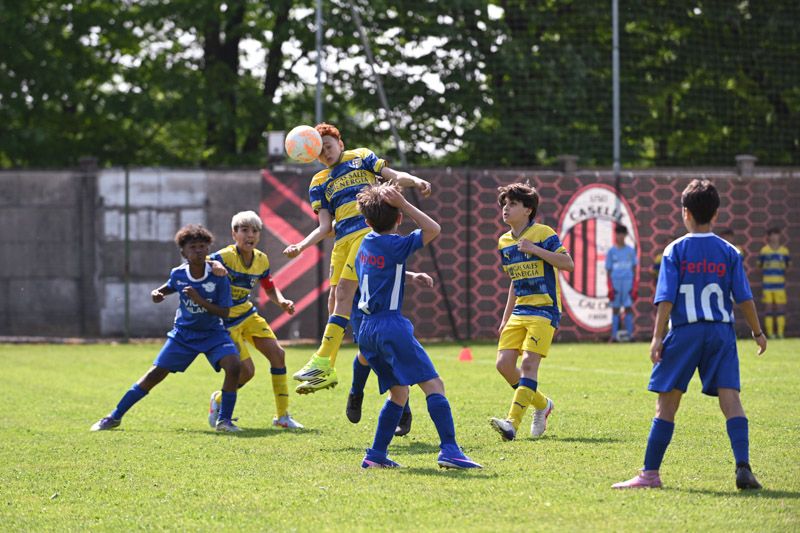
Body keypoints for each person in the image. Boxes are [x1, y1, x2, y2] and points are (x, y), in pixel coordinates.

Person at [613, 179, 767, 490]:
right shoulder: (730, 251)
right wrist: (757, 331)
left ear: (685, 212)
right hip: (721, 332)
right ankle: (743, 466)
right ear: (716, 214)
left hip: (685, 332)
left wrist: (657, 337)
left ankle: (650, 474)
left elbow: (666, 298)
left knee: (667, 403)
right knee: (731, 399)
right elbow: (744, 298)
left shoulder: (675, 250)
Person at [283, 122, 431, 394]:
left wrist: (415, 181)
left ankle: (322, 362)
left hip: (365, 236)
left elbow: (393, 175)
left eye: (328, 146)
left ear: (340, 143)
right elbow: (324, 227)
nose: (326, 153)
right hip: (342, 242)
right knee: (334, 300)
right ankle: (326, 368)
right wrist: (301, 246)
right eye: (319, 151)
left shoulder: (361, 156)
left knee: (343, 294)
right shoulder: (318, 182)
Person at [354, 183, 481, 469]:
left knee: (399, 393)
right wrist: (405, 203)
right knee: (434, 385)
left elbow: (378, 271)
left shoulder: (366, 244)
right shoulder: (396, 244)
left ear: (367, 222)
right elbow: (433, 228)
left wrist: (409, 275)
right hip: (390, 325)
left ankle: (375, 455)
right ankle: (450, 450)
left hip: (366, 329)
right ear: (399, 218)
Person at [91, 224, 242, 433]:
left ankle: (224, 421)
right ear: (183, 253)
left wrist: (198, 299)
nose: (198, 251)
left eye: (202, 246)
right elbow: (170, 286)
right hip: (184, 335)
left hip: (213, 334)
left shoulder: (218, 275)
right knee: (154, 375)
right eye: (193, 247)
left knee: (234, 366)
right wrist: (157, 293)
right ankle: (113, 417)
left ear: (208, 249)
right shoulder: (178, 273)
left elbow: (224, 312)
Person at [489, 183, 574, 442]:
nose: (506, 208)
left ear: (528, 210)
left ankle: (512, 423)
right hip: (520, 310)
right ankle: (543, 404)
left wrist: (535, 249)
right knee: (503, 365)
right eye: (505, 204)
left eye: (513, 204)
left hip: (545, 310)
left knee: (528, 364)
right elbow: (514, 281)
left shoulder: (543, 233)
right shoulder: (504, 242)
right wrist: (505, 318)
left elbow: (568, 263)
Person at [206, 211, 303, 430]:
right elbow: (199, 261)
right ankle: (219, 400)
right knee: (247, 372)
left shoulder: (261, 260)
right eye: (244, 230)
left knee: (278, 355)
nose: (250, 235)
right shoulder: (224, 257)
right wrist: (212, 265)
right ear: (234, 234)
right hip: (226, 321)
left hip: (248, 314)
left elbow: (269, 288)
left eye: (255, 231)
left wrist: (282, 301)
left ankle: (282, 417)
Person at [346, 270, 433, 437]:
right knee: (368, 351)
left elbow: (386, 264)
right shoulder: (348, 254)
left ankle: (400, 408)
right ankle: (358, 392)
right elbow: (339, 284)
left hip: (384, 302)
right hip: (359, 301)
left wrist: (411, 276)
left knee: (382, 351)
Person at [606, 224, 638, 342]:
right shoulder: (611, 251)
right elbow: (608, 270)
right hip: (615, 283)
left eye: (621, 234)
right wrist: (609, 287)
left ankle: (630, 336)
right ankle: (614, 336)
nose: (619, 236)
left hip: (628, 282)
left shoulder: (630, 250)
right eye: (617, 234)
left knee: (628, 308)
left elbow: (634, 268)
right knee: (615, 309)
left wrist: (635, 286)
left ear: (625, 235)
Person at [758, 226, 790, 339]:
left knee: (781, 309)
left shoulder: (784, 251)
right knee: (768, 309)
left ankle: (780, 333)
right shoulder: (764, 251)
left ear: (779, 236)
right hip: (767, 285)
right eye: (772, 235)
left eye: (777, 234)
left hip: (780, 285)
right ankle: (770, 333)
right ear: (769, 237)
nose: (775, 237)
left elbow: (788, 266)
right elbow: (759, 265)